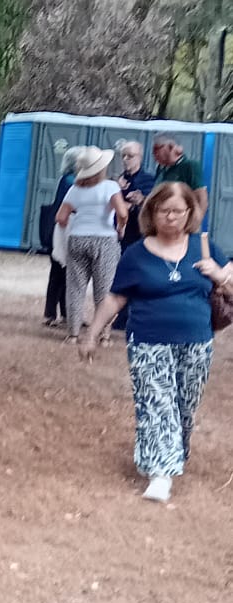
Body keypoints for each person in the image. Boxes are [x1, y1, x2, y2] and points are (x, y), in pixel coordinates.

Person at [80, 179, 230, 503]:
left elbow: (229, 289)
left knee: (183, 409)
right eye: (164, 210)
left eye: (178, 211)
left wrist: (219, 275)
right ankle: (160, 474)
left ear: (190, 212)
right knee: (157, 404)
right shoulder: (136, 255)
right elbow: (115, 298)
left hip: (196, 342)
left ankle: (175, 448)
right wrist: (92, 332)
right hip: (148, 341)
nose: (171, 217)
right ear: (152, 212)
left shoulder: (205, 247)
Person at [55, 148, 127, 340]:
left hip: (78, 238)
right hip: (104, 239)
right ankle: (103, 334)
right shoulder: (110, 187)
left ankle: (73, 334)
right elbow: (122, 212)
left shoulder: (74, 189)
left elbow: (61, 217)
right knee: (104, 288)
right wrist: (120, 229)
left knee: (75, 288)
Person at [39, 147, 82, 329]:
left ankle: (62, 313)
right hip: (63, 231)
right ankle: (53, 314)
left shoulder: (67, 179)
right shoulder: (71, 181)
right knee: (60, 273)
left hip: (63, 230)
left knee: (63, 274)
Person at [152, 135, 208, 227]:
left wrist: (194, 224)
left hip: (181, 223)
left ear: (171, 147)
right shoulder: (161, 169)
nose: (154, 154)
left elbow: (202, 198)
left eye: (157, 149)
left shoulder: (190, 166)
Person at [117, 139, 156, 249]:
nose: (125, 159)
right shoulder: (117, 180)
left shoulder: (148, 180)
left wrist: (135, 203)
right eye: (123, 156)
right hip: (116, 234)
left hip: (136, 233)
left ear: (139, 157)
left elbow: (151, 207)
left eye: (130, 156)